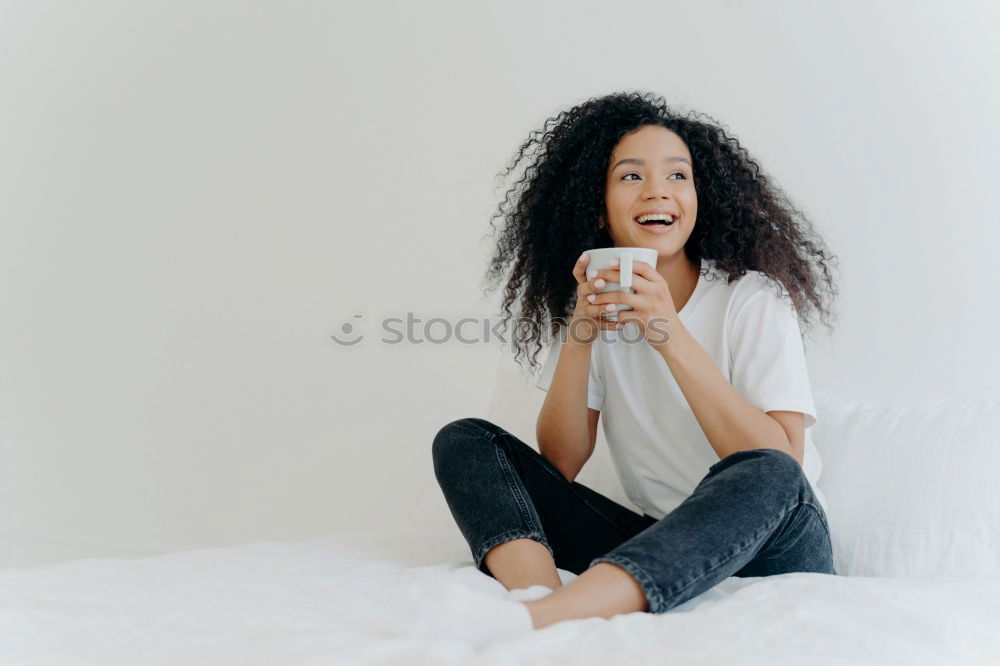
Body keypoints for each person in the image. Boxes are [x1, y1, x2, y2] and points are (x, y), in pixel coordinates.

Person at [431, 90, 841, 638]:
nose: (657, 191)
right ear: (598, 209)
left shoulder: (752, 297)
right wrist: (579, 334)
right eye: (631, 176)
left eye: (678, 176)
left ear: (699, 196)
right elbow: (560, 465)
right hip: (658, 537)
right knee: (466, 440)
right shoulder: (595, 304)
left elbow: (781, 461)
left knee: (766, 466)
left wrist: (666, 331)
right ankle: (537, 598)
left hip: (775, 541)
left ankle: (549, 618)